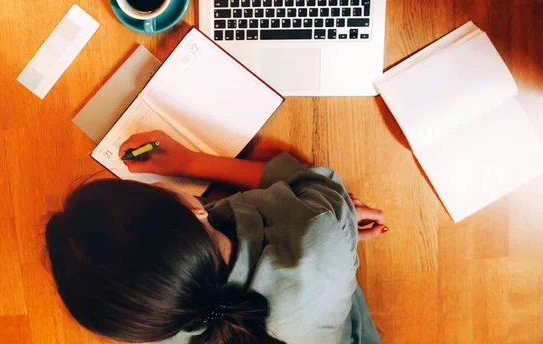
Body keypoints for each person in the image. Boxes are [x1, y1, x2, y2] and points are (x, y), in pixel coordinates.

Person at [45, 130, 387, 344]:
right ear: (193, 208)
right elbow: (311, 180)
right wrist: (191, 162)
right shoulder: (319, 234)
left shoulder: (150, 324)